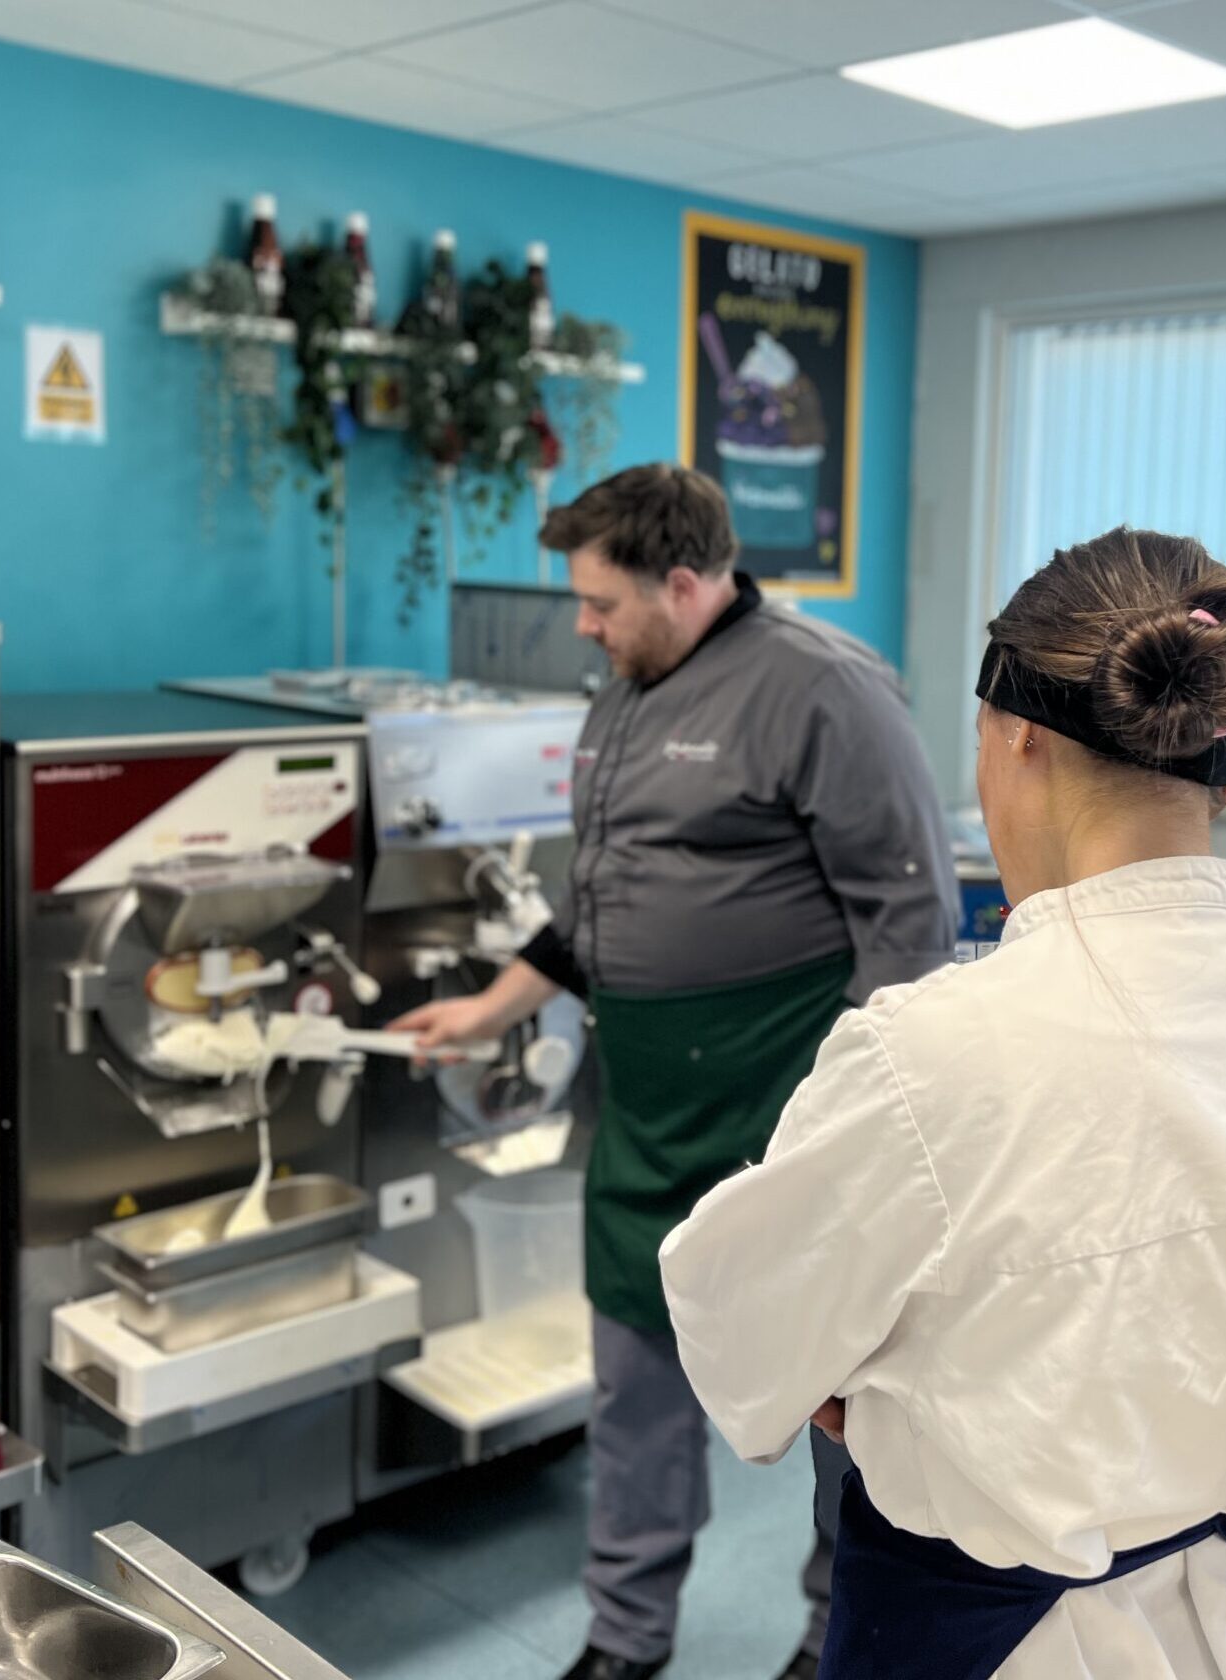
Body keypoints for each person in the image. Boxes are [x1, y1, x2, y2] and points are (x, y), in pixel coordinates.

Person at [658, 528, 1226, 1679]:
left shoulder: (932, 1050)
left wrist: (855, 1375)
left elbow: (747, 1329)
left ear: (1016, 739)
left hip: (979, 1638)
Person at [390, 462, 959, 1680]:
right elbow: (599, 899)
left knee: (835, 1401)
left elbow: (907, 926)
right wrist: (493, 1006)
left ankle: (830, 1635)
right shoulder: (628, 688)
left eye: (600, 604)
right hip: (644, 1105)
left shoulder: (826, 691)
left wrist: (850, 1127)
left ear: (687, 583)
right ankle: (624, 1639)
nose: (584, 628)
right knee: (634, 1392)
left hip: (780, 1103)